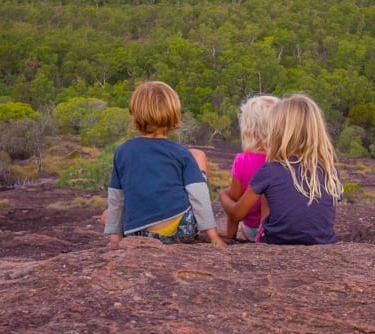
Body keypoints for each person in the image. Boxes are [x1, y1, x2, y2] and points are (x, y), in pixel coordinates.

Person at [103, 81, 226, 248]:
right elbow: (199, 196)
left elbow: (116, 197)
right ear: (173, 115)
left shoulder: (122, 151)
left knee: (107, 214)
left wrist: (115, 238)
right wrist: (214, 238)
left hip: (138, 232)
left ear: (135, 115)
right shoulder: (181, 153)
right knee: (198, 171)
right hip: (181, 230)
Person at [219, 94, 343, 245]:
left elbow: (237, 213)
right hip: (323, 243)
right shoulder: (330, 172)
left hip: (274, 243)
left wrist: (222, 196)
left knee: (268, 192)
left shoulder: (269, 170)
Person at [219, 94, 279, 242]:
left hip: (253, 230)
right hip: (280, 228)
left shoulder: (243, 160)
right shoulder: (284, 159)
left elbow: (234, 198)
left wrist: (230, 235)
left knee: (228, 193)